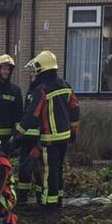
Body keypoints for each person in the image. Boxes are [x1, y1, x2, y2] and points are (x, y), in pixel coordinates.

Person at [15, 50, 80, 210]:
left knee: (49, 171)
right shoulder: (66, 86)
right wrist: (73, 131)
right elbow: (75, 109)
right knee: (57, 169)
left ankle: (49, 204)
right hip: (64, 137)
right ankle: (57, 199)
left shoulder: (42, 90)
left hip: (49, 139)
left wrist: (17, 134)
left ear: (41, 69)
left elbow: (32, 114)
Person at [0, 54, 24, 153]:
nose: (7, 72)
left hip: (6, 139)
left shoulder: (15, 90)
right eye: (4, 69)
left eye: (8, 69)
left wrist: (16, 136)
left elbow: (18, 115)